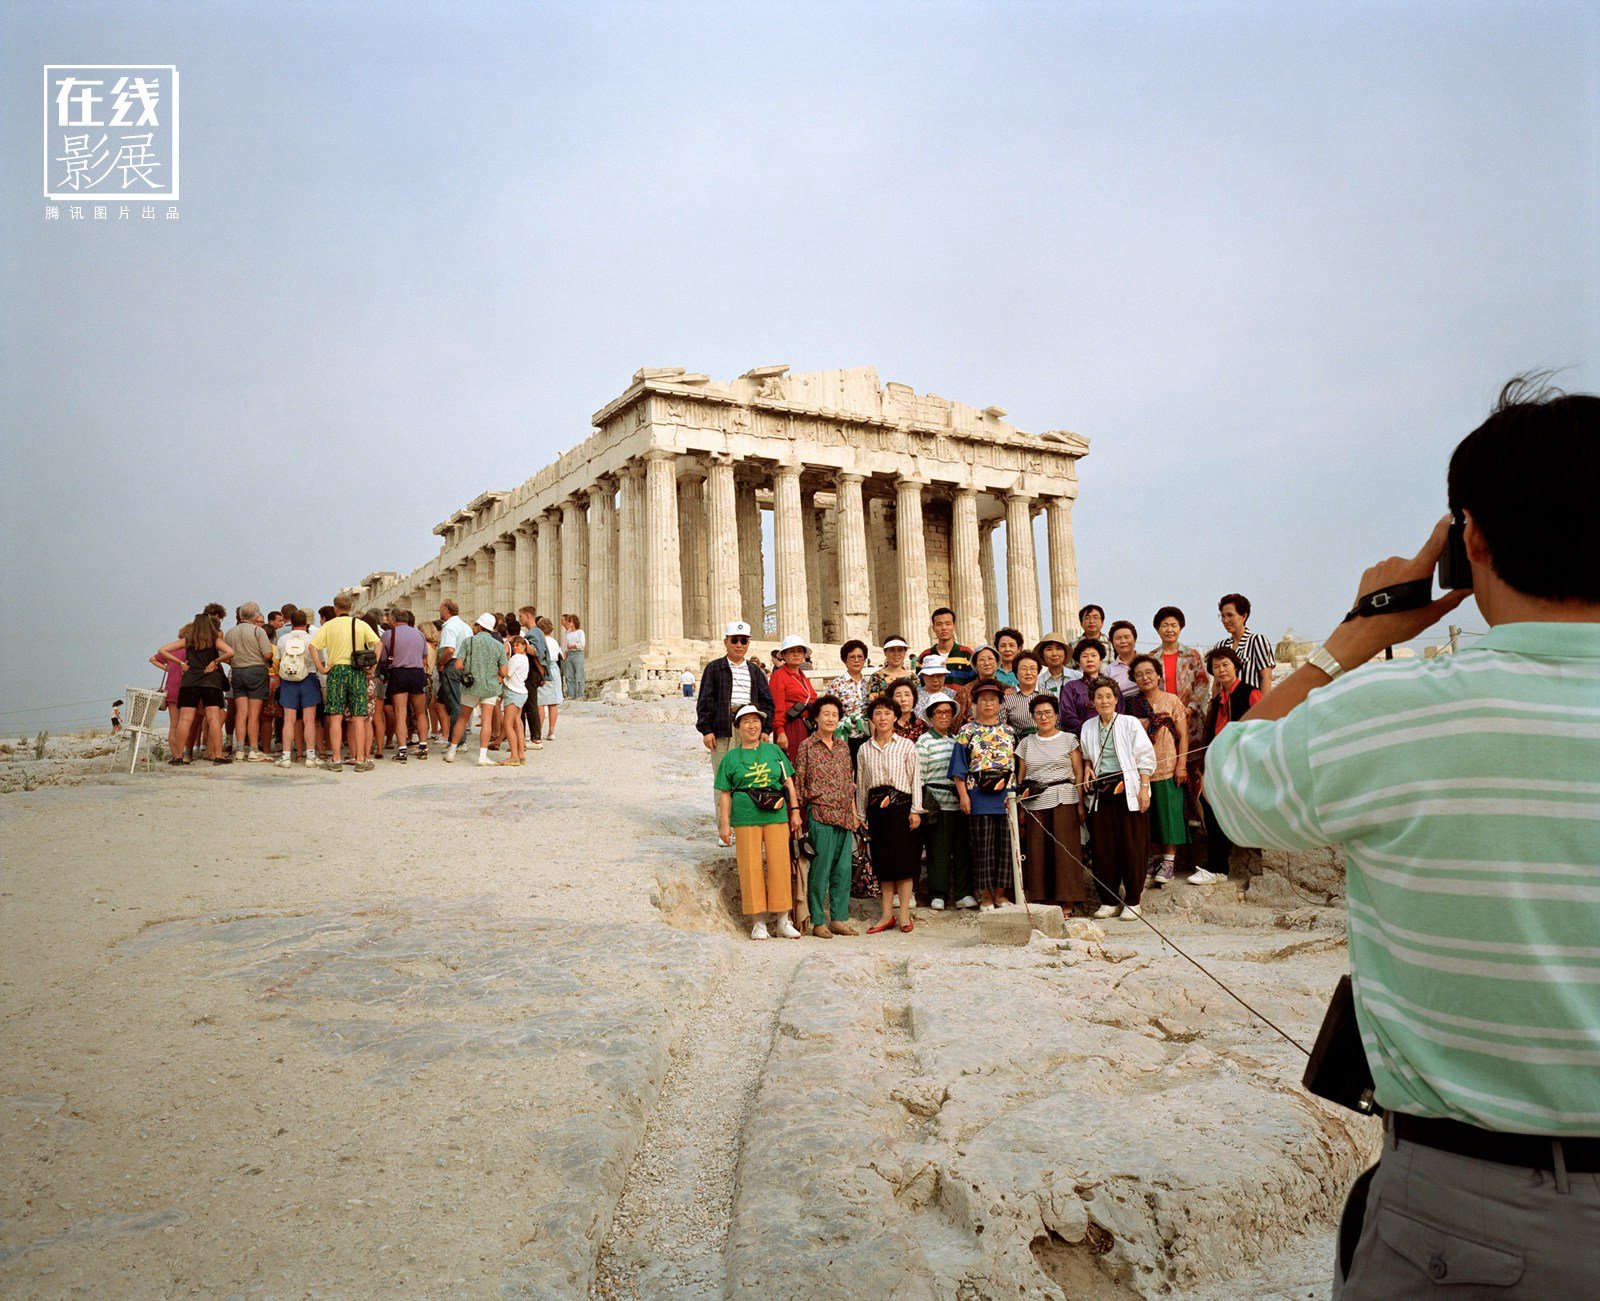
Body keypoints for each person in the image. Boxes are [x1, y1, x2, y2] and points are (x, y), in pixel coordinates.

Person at [1205, 381, 1600, 1298]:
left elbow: (1233, 778)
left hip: (1472, 1216)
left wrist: (1358, 634)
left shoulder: (1393, 717)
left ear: (1471, 543)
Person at [715, 704, 802, 941]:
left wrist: (795, 810)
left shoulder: (774, 751)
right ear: (738, 728)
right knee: (749, 866)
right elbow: (724, 792)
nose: (751, 726)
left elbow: (788, 782)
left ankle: (784, 920)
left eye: (755, 721)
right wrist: (725, 824)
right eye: (746, 722)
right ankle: (758, 922)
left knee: (779, 864)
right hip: (745, 816)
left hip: (775, 813)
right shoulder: (731, 757)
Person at [1080, 679, 1156, 919]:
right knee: (1103, 847)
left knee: (1132, 845)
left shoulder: (1129, 723)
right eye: (1099, 697)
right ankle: (1108, 900)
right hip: (1101, 793)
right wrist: (1087, 768)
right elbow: (1087, 755)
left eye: (1108, 696)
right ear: (1093, 702)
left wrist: (1144, 788)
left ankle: (1133, 900)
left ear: (1116, 699)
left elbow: (1145, 757)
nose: (1104, 701)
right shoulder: (1088, 727)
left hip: (1129, 791)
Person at [792, 696, 860, 939]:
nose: (831, 719)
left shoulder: (843, 747)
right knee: (820, 870)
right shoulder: (807, 747)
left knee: (843, 870)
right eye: (826, 714)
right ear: (816, 717)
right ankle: (818, 920)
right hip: (820, 814)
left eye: (834, 714)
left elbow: (849, 783)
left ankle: (839, 919)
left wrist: (853, 813)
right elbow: (799, 782)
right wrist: (797, 814)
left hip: (843, 815)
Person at [857, 696, 924, 933]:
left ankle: (904, 914)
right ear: (871, 718)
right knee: (883, 862)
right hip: (876, 810)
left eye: (887, 713)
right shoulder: (864, 748)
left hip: (901, 807)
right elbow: (862, 783)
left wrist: (916, 810)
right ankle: (886, 915)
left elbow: (915, 778)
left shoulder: (906, 745)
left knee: (904, 862)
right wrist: (861, 815)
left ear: (895, 717)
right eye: (877, 713)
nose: (882, 718)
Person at [1193, 647, 1260, 883]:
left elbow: (1262, 726)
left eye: (1225, 665)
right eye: (1216, 667)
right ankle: (1216, 865)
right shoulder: (1217, 699)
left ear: (1235, 666)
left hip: (1240, 763)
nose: (1221, 670)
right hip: (1219, 763)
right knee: (1207, 803)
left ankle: (1217, 866)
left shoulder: (1250, 693)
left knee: (1219, 808)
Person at [1016, 694, 1087, 911]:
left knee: (1065, 851)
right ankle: (1044, 900)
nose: (1043, 717)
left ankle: (1067, 900)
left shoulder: (1069, 739)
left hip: (1064, 797)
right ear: (1032, 717)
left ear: (1056, 715)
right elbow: (1021, 777)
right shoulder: (1026, 743)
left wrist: (1080, 803)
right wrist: (1020, 808)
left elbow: (1078, 771)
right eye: (1038, 713)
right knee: (1038, 852)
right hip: (1035, 801)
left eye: (1048, 712)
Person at [950, 680, 1016, 909]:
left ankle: (1001, 894)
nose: (988, 704)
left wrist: (1014, 795)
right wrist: (964, 796)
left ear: (1000, 704)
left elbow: (1016, 765)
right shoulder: (966, 731)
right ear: (975, 703)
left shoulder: (1009, 731)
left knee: (1006, 848)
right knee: (982, 849)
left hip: (1006, 798)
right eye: (983, 699)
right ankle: (986, 896)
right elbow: (959, 768)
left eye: (993, 699)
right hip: (978, 796)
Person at [697, 621, 774, 815]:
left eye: (743, 641)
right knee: (723, 778)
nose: (739, 645)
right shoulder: (714, 668)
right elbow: (705, 701)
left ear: (748, 643)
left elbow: (767, 703)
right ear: (726, 642)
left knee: (750, 775)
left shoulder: (755, 671)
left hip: (750, 727)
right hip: (723, 726)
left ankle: (745, 821)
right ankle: (724, 829)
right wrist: (707, 730)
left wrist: (765, 730)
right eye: (735, 640)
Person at [1129, 654, 1189, 887]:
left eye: (1149, 672)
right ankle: (1154, 859)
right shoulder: (1132, 704)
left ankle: (1169, 861)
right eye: (1139, 674)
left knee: (1169, 814)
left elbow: (1183, 735)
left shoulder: (1172, 700)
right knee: (1149, 816)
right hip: (1142, 770)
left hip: (1168, 764)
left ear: (1158, 675)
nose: (1145, 677)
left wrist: (1181, 765)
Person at [916, 694, 975, 909]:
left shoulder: (957, 739)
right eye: (939, 712)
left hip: (959, 801)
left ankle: (963, 893)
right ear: (931, 716)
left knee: (962, 849)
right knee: (937, 850)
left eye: (947, 712)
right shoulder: (924, 741)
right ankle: (937, 894)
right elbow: (919, 775)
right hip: (936, 803)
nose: (943, 716)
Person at [309, 596, 380, 772]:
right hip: (357, 671)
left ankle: (336, 759)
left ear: (335, 608)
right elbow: (378, 644)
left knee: (335, 716)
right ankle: (361, 759)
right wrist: (373, 665)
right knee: (358, 717)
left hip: (336, 671)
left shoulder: (329, 625)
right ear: (351, 606)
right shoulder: (360, 624)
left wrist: (320, 667)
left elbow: (313, 646)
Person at [161, 613, 234, 765]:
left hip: (190, 681)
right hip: (210, 681)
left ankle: (178, 756)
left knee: (185, 719)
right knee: (213, 718)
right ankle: (218, 755)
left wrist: (180, 663)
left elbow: (163, 650)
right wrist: (216, 661)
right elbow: (230, 652)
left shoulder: (188, 640)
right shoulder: (214, 640)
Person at [447, 614, 509, 765]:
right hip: (490, 685)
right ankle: (482, 756)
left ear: (479, 626)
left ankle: (452, 751)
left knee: (462, 718)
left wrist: (471, 666)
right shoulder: (498, 645)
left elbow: (458, 665)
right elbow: (504, 672)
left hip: (471, 685)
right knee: (486, 720)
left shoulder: (469, 642)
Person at [1151, 606, 1211, 748]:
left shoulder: (1192, 655)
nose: (1169, 630)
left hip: (1191, 719)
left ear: (1180, 628)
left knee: (1193, 761)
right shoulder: (1151, 658)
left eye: (1174, 625)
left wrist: (1190, 708)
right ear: (1158, 630)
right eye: (1165, 626)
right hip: (1163, 720)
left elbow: (1203, 683)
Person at [222, 604, 276, 761]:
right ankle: (253, 749)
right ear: (256, 616)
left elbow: (224, 655)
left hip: (237, 672)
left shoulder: (230, 632)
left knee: (241, 712)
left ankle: (239, 749)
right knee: (254, 714)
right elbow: (267, 654)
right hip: (256, 671)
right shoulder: (257, 631)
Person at [272, 608, 322, 768]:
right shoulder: (312, 639)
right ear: (306, 622)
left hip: (289, 680)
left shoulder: (283, 639)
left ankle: (286, 756)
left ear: (291, 622)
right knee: (309, 720)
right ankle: (311, 756)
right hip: (309, 678)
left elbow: (278, 661)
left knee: (289, 720)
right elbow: (318, 660)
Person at [381, 608, 430, 761]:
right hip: (417, 673)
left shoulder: (388, 635)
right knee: (420, 712)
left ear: (394, 619)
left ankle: (402, 751)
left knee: (400, 714)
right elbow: (424, 658)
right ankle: (423, 747)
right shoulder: (419, 634)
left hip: (399, 673)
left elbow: (382, 657)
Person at [1058, 640, 1125, 736]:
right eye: (1085, 656)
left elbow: (1121, 711)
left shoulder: (1112, 685)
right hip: (1082, 738)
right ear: (1079, 662)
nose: (1090, 660)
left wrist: (1108, 730)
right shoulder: (1071, 687)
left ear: (1100, 659)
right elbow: (1067, 717)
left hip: (1113, 736)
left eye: (1094, 655)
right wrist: (1091, 730)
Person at [1212, 593, 1275, 694]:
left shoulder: (1257, 641)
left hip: (1252, 705)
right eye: (1222, 616)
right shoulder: (1221, 646)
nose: (1225, 620)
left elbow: (1266, 678)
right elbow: (1216, 683)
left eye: (1230, 615)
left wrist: (1262, 707)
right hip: (1227, 707)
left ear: (1243, 616)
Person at [769, 634, 817, 765]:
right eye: (791, 651)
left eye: (799, 651)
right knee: (794, 765)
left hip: (807, 726)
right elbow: (776, 707)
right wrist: (780, 732)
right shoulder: (779, 676)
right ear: (783, 655)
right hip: (790, 726)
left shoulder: (803, 677)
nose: (796, 654)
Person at [435, 599, 474, 737]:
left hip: (451, 665)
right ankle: (455, 738)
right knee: (457, 702)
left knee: (454, 704)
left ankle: (458, 741)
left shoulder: (450, 627)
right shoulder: (466, 627)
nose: (439, 611)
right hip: (464, 665)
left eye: (440, 608)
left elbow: (450, 650)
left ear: (446, 609)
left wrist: (440, 662)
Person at [150, 628, 187, 759]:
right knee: (186, 722)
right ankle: (184, 752)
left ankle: (176, 755)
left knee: (174, 725)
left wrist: (169, 669)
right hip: (185, 687)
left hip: (171, 687)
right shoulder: (189, 650)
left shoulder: (171, 650)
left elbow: (153, 659)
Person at [514, 608, 547, 748]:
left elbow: (537, 652)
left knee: (531, 705)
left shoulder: (534, 632)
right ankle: (527, 738)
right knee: (528, 705)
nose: (519, 619)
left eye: (521, 616)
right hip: (532, 672)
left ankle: (536, 739)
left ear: (528, 616)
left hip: (532, 673)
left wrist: (522, 645)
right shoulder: (534, 632)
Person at [827, 639, 873, 741]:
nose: (856, 660)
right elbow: (829, 711)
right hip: (845, 737)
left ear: (865, 659)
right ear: (844, 660)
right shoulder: (837, 684)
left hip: (868, 736)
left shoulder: (869, 684)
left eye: (860, 657)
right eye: (852, 657)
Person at [952, 644, 1009, 725]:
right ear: (975, 665)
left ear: (997, 663)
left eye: (990, 659)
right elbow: (955, 724)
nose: (987, 663)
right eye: (982, 660)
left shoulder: (1007, 689)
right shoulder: (964, 692)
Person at [920, 607, 975, 685]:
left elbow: (974, 683)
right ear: (933, 628)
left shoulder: (966, 654)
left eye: (948, 624)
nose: (944, 628)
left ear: (954, 626)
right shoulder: (924, 656)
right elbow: (921, 686)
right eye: (939, 624)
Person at [499, 636, 530, 766]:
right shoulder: (525, 658)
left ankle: (514, 756)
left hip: (513, 692)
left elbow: (506, 673)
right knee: (518, 722)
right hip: (521, 691)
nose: (515, 647)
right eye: (514, 645)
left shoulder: (516, 658)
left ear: (524, 646)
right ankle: (521, 754)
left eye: (518, 645)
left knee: (507, 724)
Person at [1000, 651, 1044, 736]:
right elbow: (1001, 729)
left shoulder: (1047, 695)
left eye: (1032, 668)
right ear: (1016, 672)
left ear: (1038, 671)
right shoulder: (1007, 698)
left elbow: (1057, 725)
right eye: (1024, 668)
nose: (1028, 673)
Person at [534, 615, 563, 740]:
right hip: (554, 670)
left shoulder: (540, 641)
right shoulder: (554, 641)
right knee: (553, 703)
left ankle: (538, 731)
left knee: (540, 702)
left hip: (544, 670)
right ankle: (551, 732)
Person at [1104, 620, 1141, 697]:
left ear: (1134, 639)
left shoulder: (1148, 661)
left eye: (1127, 637)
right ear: (1112, 643)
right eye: (1118, 638)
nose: (1123, 641)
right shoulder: (1109, 671)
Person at [912, 654, 950, 721]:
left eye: (939, 675)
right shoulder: (914, 696)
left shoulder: (954, 695)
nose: (935, 680)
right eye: (931, 676)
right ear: (923, 676)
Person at [562, 613, 586, 700]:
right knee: (569, 676)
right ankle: (571, 695)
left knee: (579, 675)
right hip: (569, 655)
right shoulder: (568, 633)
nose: (569, 623)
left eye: (570, 621)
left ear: (574, 622)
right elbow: (565, 646)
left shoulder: (580, 632)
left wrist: (572, 646)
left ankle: (580, 695)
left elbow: (582, 645)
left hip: (577, 654)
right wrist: (564, 656)